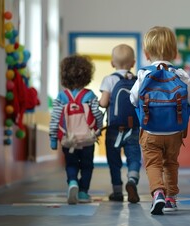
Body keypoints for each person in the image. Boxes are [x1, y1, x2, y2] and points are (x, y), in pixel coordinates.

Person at [130, 26, 190, 215]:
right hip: (175, 131)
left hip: (150, 131)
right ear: (175, 53)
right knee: (171, 163)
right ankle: (171, 198)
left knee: (153, 164)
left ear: (145, 53)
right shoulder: (181, 75)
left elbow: (133, 98)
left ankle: (158, 192)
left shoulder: (143, 74)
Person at [49, 55, 103, 205]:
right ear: (87, 75)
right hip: (87, 139)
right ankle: (83, 192)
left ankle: (72, 182)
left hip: (68, 139)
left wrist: (53, 139)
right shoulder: (89, 95)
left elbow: (55, 120)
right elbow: (97, 114)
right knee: (87, 165)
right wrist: (98, 128)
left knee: (71, 164)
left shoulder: (61, 97)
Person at [99, 44, 142, 203]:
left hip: (114, 129)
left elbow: (103, 103)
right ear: (133, 63)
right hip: (133, 129)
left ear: (112, 63)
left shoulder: (109, 79)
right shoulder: (137, 80)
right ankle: (132, 180)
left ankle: (117, 191)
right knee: (134, 157)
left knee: (114, 160)